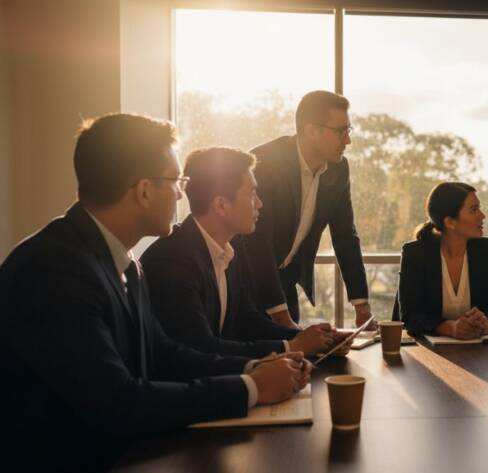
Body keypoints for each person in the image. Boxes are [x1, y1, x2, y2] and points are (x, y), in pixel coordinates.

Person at [0, 114, 310, 471]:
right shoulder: (55, 270)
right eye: (176, 181)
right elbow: (119, 403)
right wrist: (250, 389)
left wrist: (255, 367)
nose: (181, 192)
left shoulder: (123, 259)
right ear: (144, 190)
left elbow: (164, 354)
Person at [142, 147, 350, 358]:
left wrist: (311, 339)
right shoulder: (171, 260)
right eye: (252, 193)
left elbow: (247, 321)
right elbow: (201, 348)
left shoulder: (229, 250)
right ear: (221, 205)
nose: (260, 203)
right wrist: (292, 347)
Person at [238, 90, 375, 330]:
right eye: (340, 131)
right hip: (243, 283)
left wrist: (362, 306)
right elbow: (257, 241)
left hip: (284, 284)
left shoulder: (338, 169)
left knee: (300, 359)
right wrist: (281, 318)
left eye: (348, 131)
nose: (347, 141)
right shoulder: (265, 161)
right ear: (312, 130)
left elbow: (345, 236)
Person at [397, 182, 488, 338]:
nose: (482, 216)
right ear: (450, 222)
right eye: (474, 210)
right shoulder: (416, 254)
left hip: (481, 354)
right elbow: (410, 317)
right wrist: (451, 328)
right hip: (426, 355)